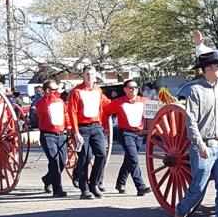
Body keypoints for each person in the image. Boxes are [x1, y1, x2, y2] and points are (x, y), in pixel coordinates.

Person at [173, 51, 218, 217]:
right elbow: (191, 120)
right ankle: (181, 211)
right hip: (204, 145)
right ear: (207, 69)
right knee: (198, 188)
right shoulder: (195, 91)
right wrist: (199, 143)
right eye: (217, 66)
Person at [68, 65, 111, 199]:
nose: (90, 77)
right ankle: (84, 188)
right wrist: (76, 132)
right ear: (83, 75)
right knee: (84, 158)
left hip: (97, 126)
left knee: (101, 155)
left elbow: (107, 106)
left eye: (92, 74)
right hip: (83, 128)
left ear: (95, 76)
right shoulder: (76, 92)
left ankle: (94, 184)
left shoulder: (98, 91)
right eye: (87, 74)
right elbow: (72, 112)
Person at [105, 79, 152, 195]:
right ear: (125, 89)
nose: (133, 90)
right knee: (134, 158)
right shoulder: (118, 102)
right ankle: (140, 186)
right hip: (126, 134)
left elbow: (154, 111)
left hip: (140, 134)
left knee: (129, 159)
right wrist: (106, 128)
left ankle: (120, 183)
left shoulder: (145, 101)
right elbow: (105, 112)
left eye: (135, 87)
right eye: (130, 88)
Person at [35, 79, 70, 198]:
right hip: (47, 135)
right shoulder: (41, 103)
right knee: (54, 161)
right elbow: (43, 110)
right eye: (54, 90)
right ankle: (57, 189)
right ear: (47, 90)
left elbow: (65, 114)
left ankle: (48, 179)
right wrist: (51, 98)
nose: (57, 91)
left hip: (61, 134)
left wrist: (68, 126)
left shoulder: (60, 101)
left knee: (62, 161)